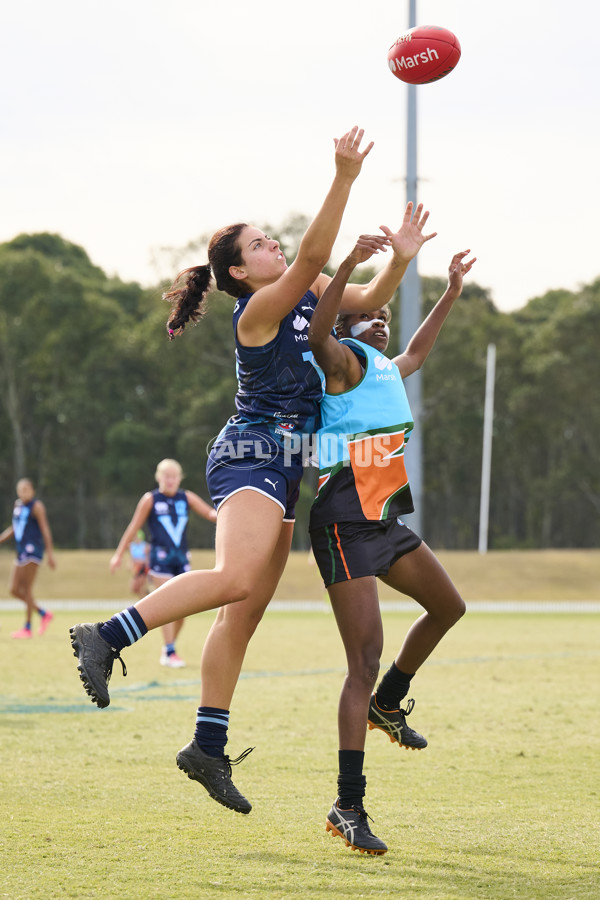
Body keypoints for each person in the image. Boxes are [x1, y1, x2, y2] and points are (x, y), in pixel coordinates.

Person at [70, 126, 433, 817]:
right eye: (261, 244)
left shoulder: (307, 290)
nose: (274, 245)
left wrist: (404, 261)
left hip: (287, 463)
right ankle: (109, 634)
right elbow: (319, 255)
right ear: (240, 272)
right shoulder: (260, 307)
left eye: (273, 239)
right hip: (250, 452)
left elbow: (364, 296)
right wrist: (344, 175)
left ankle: (207, 746)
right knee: (235, 582)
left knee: (245, 610)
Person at [307, 234, 476, 854]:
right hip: (343, 521)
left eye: (382, 316)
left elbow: (418, 353)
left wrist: (451, 292)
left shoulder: (382, 367)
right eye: (367, 315)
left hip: (381, 519)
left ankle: (389, 704)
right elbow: (319, 332)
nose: (378, 321)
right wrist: (346, 268)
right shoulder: (342, 362)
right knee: (363, 658)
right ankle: (347, 806)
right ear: (348, 328)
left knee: (449, 607)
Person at [109, 459, 217, 668]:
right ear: (159, 477)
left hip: (182, 558)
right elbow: (134, 527)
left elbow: (210, 513)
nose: (170, 480)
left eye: (174, 476)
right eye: (166, 476)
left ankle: (169, 646)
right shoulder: (150, 499)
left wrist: (232, 510)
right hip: (160, 560)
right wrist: (118, 554)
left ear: (179, 478)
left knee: (182, 611)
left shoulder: (186, 497)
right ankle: (170, 651)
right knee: (167, 605)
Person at [0, 478, 56, 638]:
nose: (23, 492)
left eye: (26, 489)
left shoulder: (37, 506)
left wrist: (50, 554)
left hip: (33, 551)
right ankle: (43, 613)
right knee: (14, 589)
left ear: (33, 491)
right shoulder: (17, 506)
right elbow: (14, 529)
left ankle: (27, 627)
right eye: (21, 489)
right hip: (20, 551)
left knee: (26, 588)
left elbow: (45, 530)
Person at [128, 529, 150, 600]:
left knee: (140, 587)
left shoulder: (145, 546)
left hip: (143, 568)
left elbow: (147, 558)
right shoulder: (132, 546)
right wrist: (130, 564)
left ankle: (143, 603)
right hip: (136, 569)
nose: (135, 538)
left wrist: (147, 569)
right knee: (134, 589)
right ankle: (148, 597)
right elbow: (132, 558)